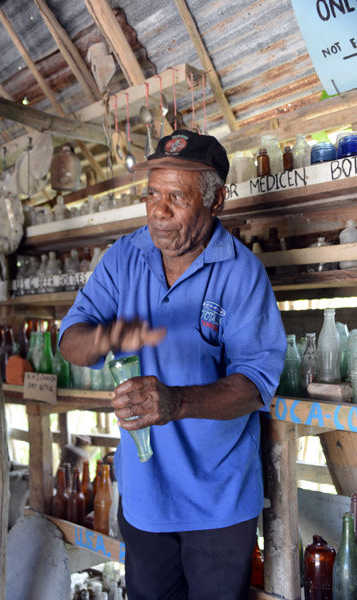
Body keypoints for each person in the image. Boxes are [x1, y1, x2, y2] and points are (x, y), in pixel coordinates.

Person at [59, 129, 287, 599]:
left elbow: (256, 384)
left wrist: (177, 401)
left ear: (216, 200)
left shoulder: (242, 274)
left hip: (218, 501)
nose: (158, 212)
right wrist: (109, 336)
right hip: (144, 497)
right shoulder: (124, 257)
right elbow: (71, 341)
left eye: (177, 198)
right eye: (152, 194)